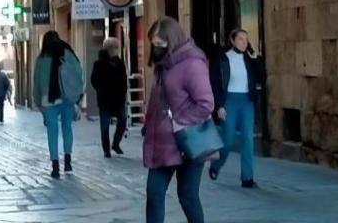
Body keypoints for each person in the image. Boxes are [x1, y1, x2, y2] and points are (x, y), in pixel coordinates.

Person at [143, 17, 214, 223]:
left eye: (159, 44)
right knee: (154, 194)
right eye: (153, 44)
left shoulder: (192, 64)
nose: (155, 48)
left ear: (172, 40)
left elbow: (206, 103)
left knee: (188, 196)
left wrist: (178, 121)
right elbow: (158, 101)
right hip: (163, 142)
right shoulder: (162, 65)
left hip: (190, 140)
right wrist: (149, 126)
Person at [208, 28, 265, 187]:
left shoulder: (249, 58)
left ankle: (247, 178)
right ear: (232, 40)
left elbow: (263, 77)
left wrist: (256, 60)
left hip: (246, 101)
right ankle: (216, 165)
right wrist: (219, 105)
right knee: (229, 139)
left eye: (246, 39)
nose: (244, 42)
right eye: (240, 39)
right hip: (229, 101)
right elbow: (215, 84)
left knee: (248, 139)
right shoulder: (222, 58)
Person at [33, 31, 84, 178]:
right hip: (67, 97)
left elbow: (37, 83)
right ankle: (68, 161)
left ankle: (55, 166)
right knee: (67, 127)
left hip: (48, 100)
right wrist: (78, 94)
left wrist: (38, 102)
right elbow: (78, 73)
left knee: (52, 132)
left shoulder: (41, 58)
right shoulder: (67, 53)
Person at [90, 38, 128, 158]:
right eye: (115, 47)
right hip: (105, 99)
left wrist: (123, 91)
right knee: (105, 125)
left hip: (119, 98)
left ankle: (115, 144)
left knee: (122, 121)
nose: (116, 50)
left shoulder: (119, 62)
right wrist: (101, 89)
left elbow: (123, 79)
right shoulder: (99, 63)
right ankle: (106, 149)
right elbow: (94, 79)